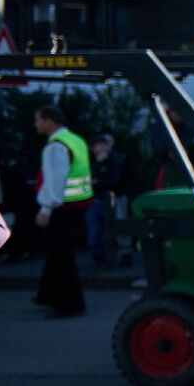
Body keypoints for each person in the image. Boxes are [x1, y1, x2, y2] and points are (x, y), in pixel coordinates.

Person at [32, 106, 91, 318]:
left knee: (61, 256)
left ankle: (69, 304)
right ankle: (48, 295)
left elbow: (55, 181)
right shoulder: (75, 140)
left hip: (62, 208)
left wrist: (45, 209)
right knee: (60, 255)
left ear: (50, 121)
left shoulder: (56, 147)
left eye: (38, 120)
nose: (36, 124)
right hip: (77, 205)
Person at [86, 133, 126, 266]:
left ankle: (108, 259)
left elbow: (114, 180)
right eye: (100, 145)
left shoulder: (113, 160)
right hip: (92, 200)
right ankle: (97, 258)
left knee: (107, 231)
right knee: (93, 231)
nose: (103, 148)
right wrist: (98, 165)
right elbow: (88, 178)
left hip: (107, 200)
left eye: (105, 145)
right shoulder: (90, 161)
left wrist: (98, 181)